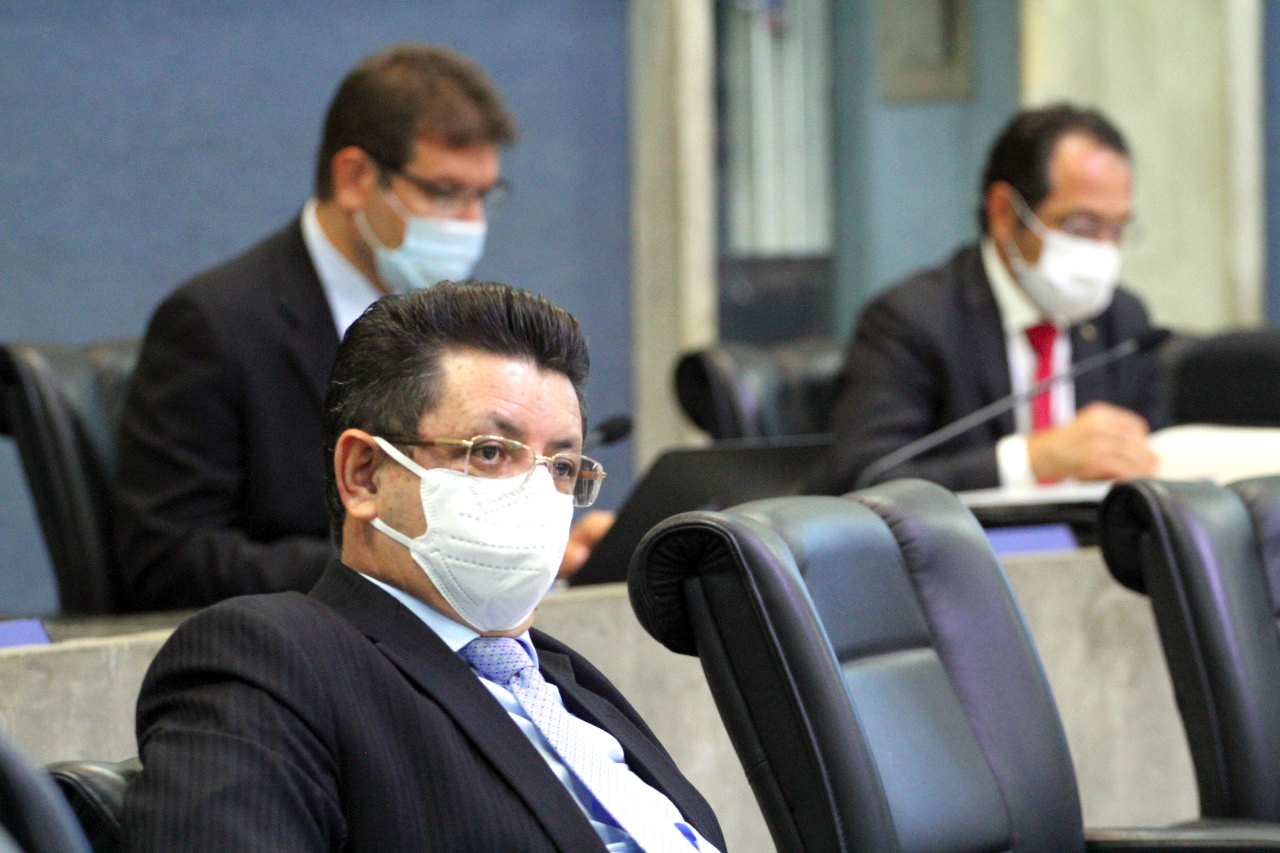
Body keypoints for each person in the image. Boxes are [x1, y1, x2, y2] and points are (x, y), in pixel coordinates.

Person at [123, 282, 725, 852]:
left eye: (562, 467)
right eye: (490, 452)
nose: (539, 494)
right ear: (364, 475)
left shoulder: (566, 679)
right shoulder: (270, 660)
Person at [113, 43, 610, 610]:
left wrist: (531, 544)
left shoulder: (464, 331)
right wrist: (406, 556)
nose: (471, 223)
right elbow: (169, 559)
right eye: (445, 192)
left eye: (483, 196)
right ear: (354, 177)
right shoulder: (216, 322)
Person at [813, 103, 1164, 494]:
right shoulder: (912, 320)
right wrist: (1030, 461)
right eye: (1081, 226)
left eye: (1117, 230)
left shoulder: (1123, 321)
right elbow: (864, 479)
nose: (1104, 250)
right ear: (1004, 214)